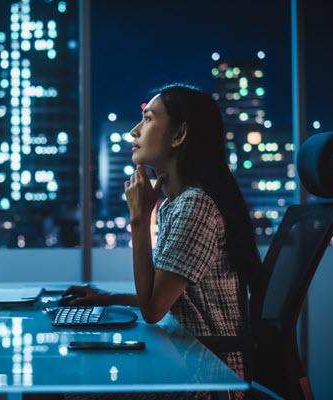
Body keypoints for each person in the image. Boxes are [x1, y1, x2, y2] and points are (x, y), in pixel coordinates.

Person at [61, 83, 263, 400]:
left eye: (148, 119)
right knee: (70, 376)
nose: (133, 131)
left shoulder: (196, 205)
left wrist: (140, 219)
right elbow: (170, 299)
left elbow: (153, 309)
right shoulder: (180, 204)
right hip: (186, 360)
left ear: (179, 135)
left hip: (207, 379)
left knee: (62, 385)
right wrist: (107, 297)